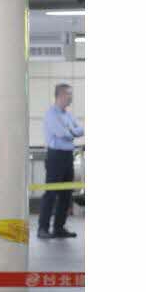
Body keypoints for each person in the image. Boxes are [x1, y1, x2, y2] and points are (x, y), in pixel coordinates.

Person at [38, 83, 84, 239]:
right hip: (55, 156)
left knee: (66, 194)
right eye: (69, 94)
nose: (71, 97)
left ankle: (59, 228)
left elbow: (80, 130)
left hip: (68, 156)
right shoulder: (51, 114)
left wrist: (70, 132)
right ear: (60, 95)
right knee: (50, 193)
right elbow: (61, 133)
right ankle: (42, 228)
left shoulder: (68, 115)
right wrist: (71, 132)